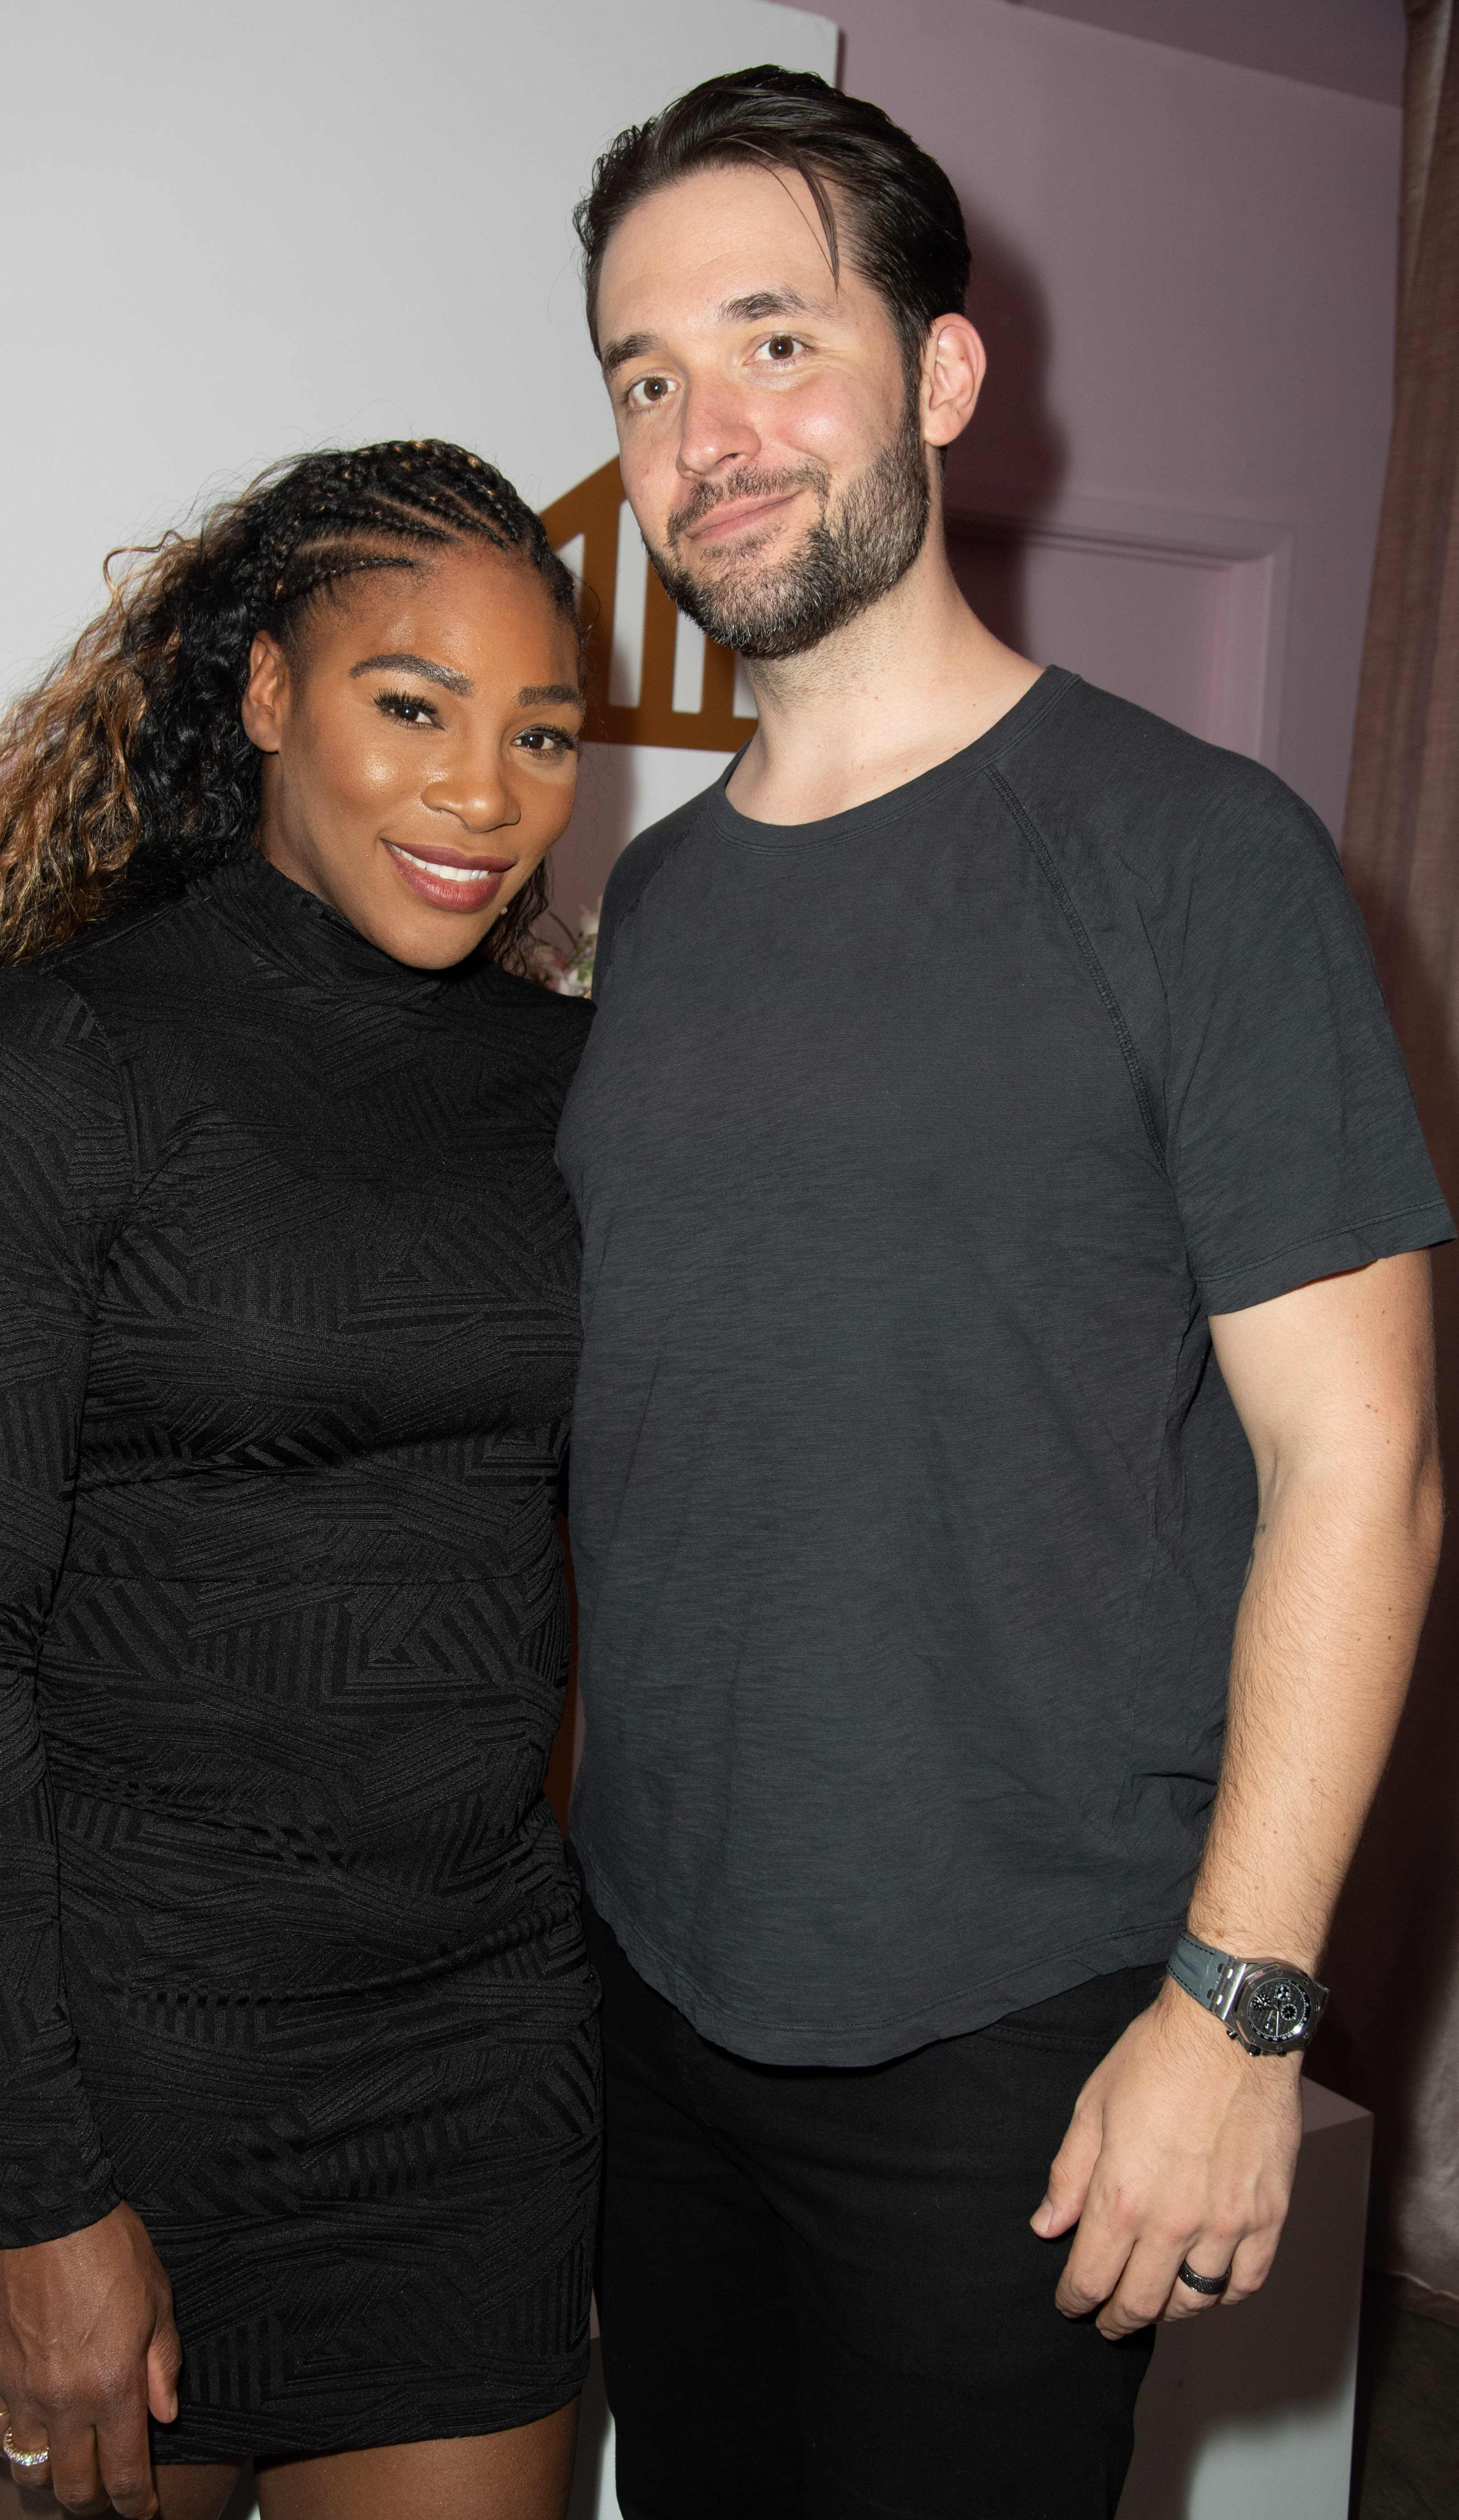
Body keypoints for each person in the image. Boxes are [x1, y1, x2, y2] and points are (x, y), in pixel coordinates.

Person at [554, 66, 1451, 2519]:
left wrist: (1236, 2009)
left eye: (775, 341)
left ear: (944, 375)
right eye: (646, 378)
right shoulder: (657, 905)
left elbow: (1361, 1469)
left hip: (1015, 2036)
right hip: (656, 1988)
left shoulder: (1198, 862)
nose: (707, 438)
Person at [0, 441, 601, 2520]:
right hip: (107, 2051)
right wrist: (38, 2194)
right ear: (263, 694)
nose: (482, 792)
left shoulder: (574, 1086)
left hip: (470, 2041)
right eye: (411, 705)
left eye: (540, 734)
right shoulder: (51, 1071)